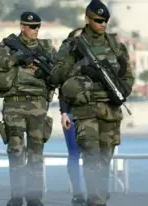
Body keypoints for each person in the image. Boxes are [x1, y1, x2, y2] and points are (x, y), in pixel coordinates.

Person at [49, 0, 135, 205]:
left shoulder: (115, 45)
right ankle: (95, 201)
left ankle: (98, 197)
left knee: (104, 159)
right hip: (85, 110)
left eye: (105, 20)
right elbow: (55, 76)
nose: (103, 23)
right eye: (98, 20)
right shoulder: (73, 46)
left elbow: (128, 76)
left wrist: (121, 92)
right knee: (91, 157)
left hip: (111, 110)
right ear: (87, 19)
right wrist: (74, 60)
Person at [0, 11, 56, 206]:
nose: (36, 30)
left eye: (38, 27)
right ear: (22, 27)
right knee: (15, 150)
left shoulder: (46, 48)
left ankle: (34, 197)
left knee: (36, 152)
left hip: (38, 104)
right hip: (14, 103)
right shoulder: (7, 46)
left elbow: (58, 72)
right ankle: (17, 195)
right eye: (32, 27)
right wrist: (14, 59)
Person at [59, 27, 86, 206]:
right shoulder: (65, 64)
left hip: (92, 112)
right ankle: (77, 192)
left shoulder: (93, 61)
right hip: (71, 113)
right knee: (74, 154)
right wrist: (63, 113)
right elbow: (61, 90)